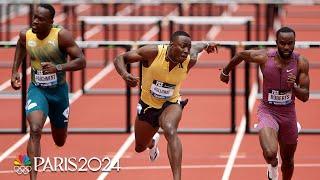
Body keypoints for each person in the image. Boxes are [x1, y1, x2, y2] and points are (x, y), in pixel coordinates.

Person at [114, 31, 218, 180]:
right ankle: (152, 142)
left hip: (171, 103)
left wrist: (207, 44)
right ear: (171, 45)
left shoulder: (190, 59)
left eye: (188, 47)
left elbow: (197, 47)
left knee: (170, 129)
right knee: (139, 147)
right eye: (182, 46)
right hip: (148, 105)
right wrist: (125, 75)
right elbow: (120, 58)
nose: (186, 51)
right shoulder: (153, 52)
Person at [220, 27, 309, 180]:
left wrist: (294, 87)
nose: (286, 47)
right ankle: (272, 168)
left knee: (287, 161)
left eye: (290, 43)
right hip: (268, 111)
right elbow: (241, 54)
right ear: (276, 43)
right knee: (270, 153)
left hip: (288, 114)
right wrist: (225, 72)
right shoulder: (265, 57)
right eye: (282, 43)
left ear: (295, 43)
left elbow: (305, 96)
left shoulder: (301, 62)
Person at [11, 4, 86, 179]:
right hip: (38, 89)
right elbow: (21, 45)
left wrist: (58, 67)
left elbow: (81, 61)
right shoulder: (26, 34)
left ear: (51, 22)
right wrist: (15, 71)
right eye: (34, 17)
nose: (35, 21)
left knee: (60, 140)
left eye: (40, 19)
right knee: (35, 129)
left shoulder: (61, 36)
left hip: (58, 93)